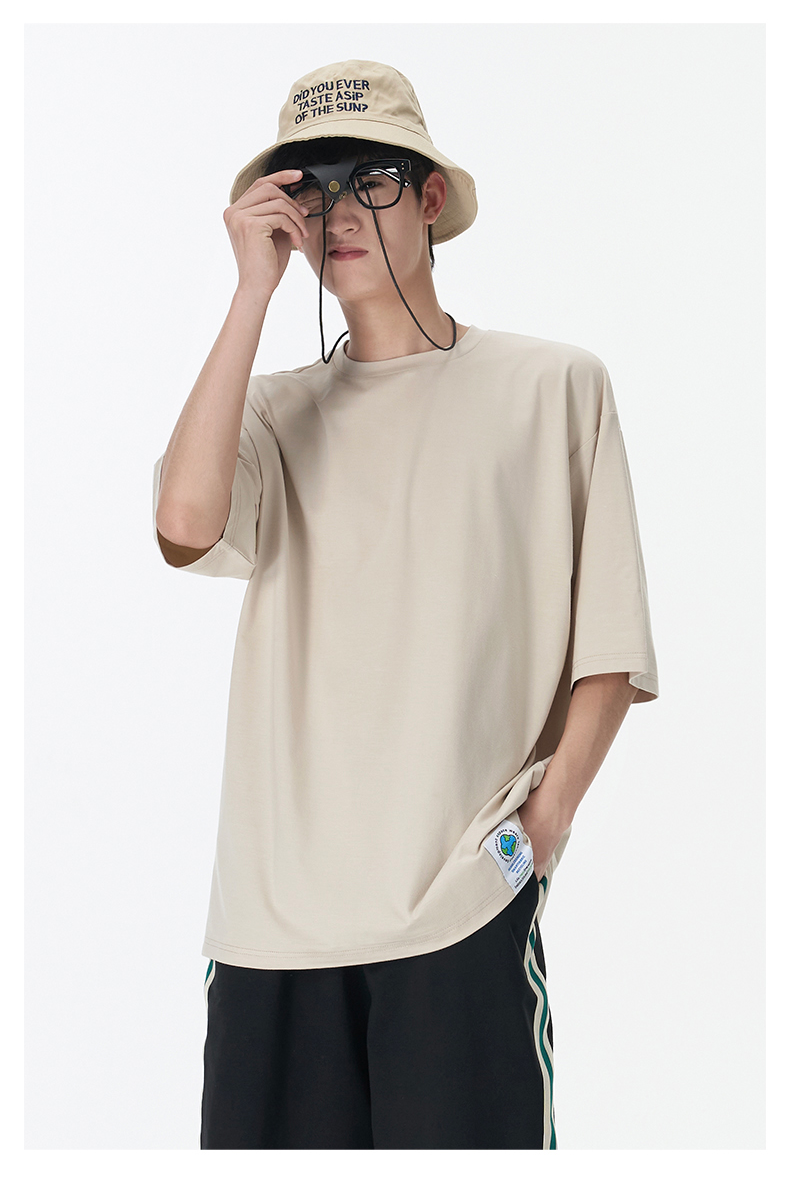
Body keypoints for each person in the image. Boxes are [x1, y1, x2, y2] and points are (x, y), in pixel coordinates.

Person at [151, 58, 659, 1150]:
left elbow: (609, 647)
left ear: (431, 199)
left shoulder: (552, 387)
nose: (339, 211)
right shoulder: (272, 412)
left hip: (456, 909)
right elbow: (183, 524)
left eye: (371, 180)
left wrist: (540, 830)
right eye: (311, 187)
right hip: (271, 922)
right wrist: (251, 293)